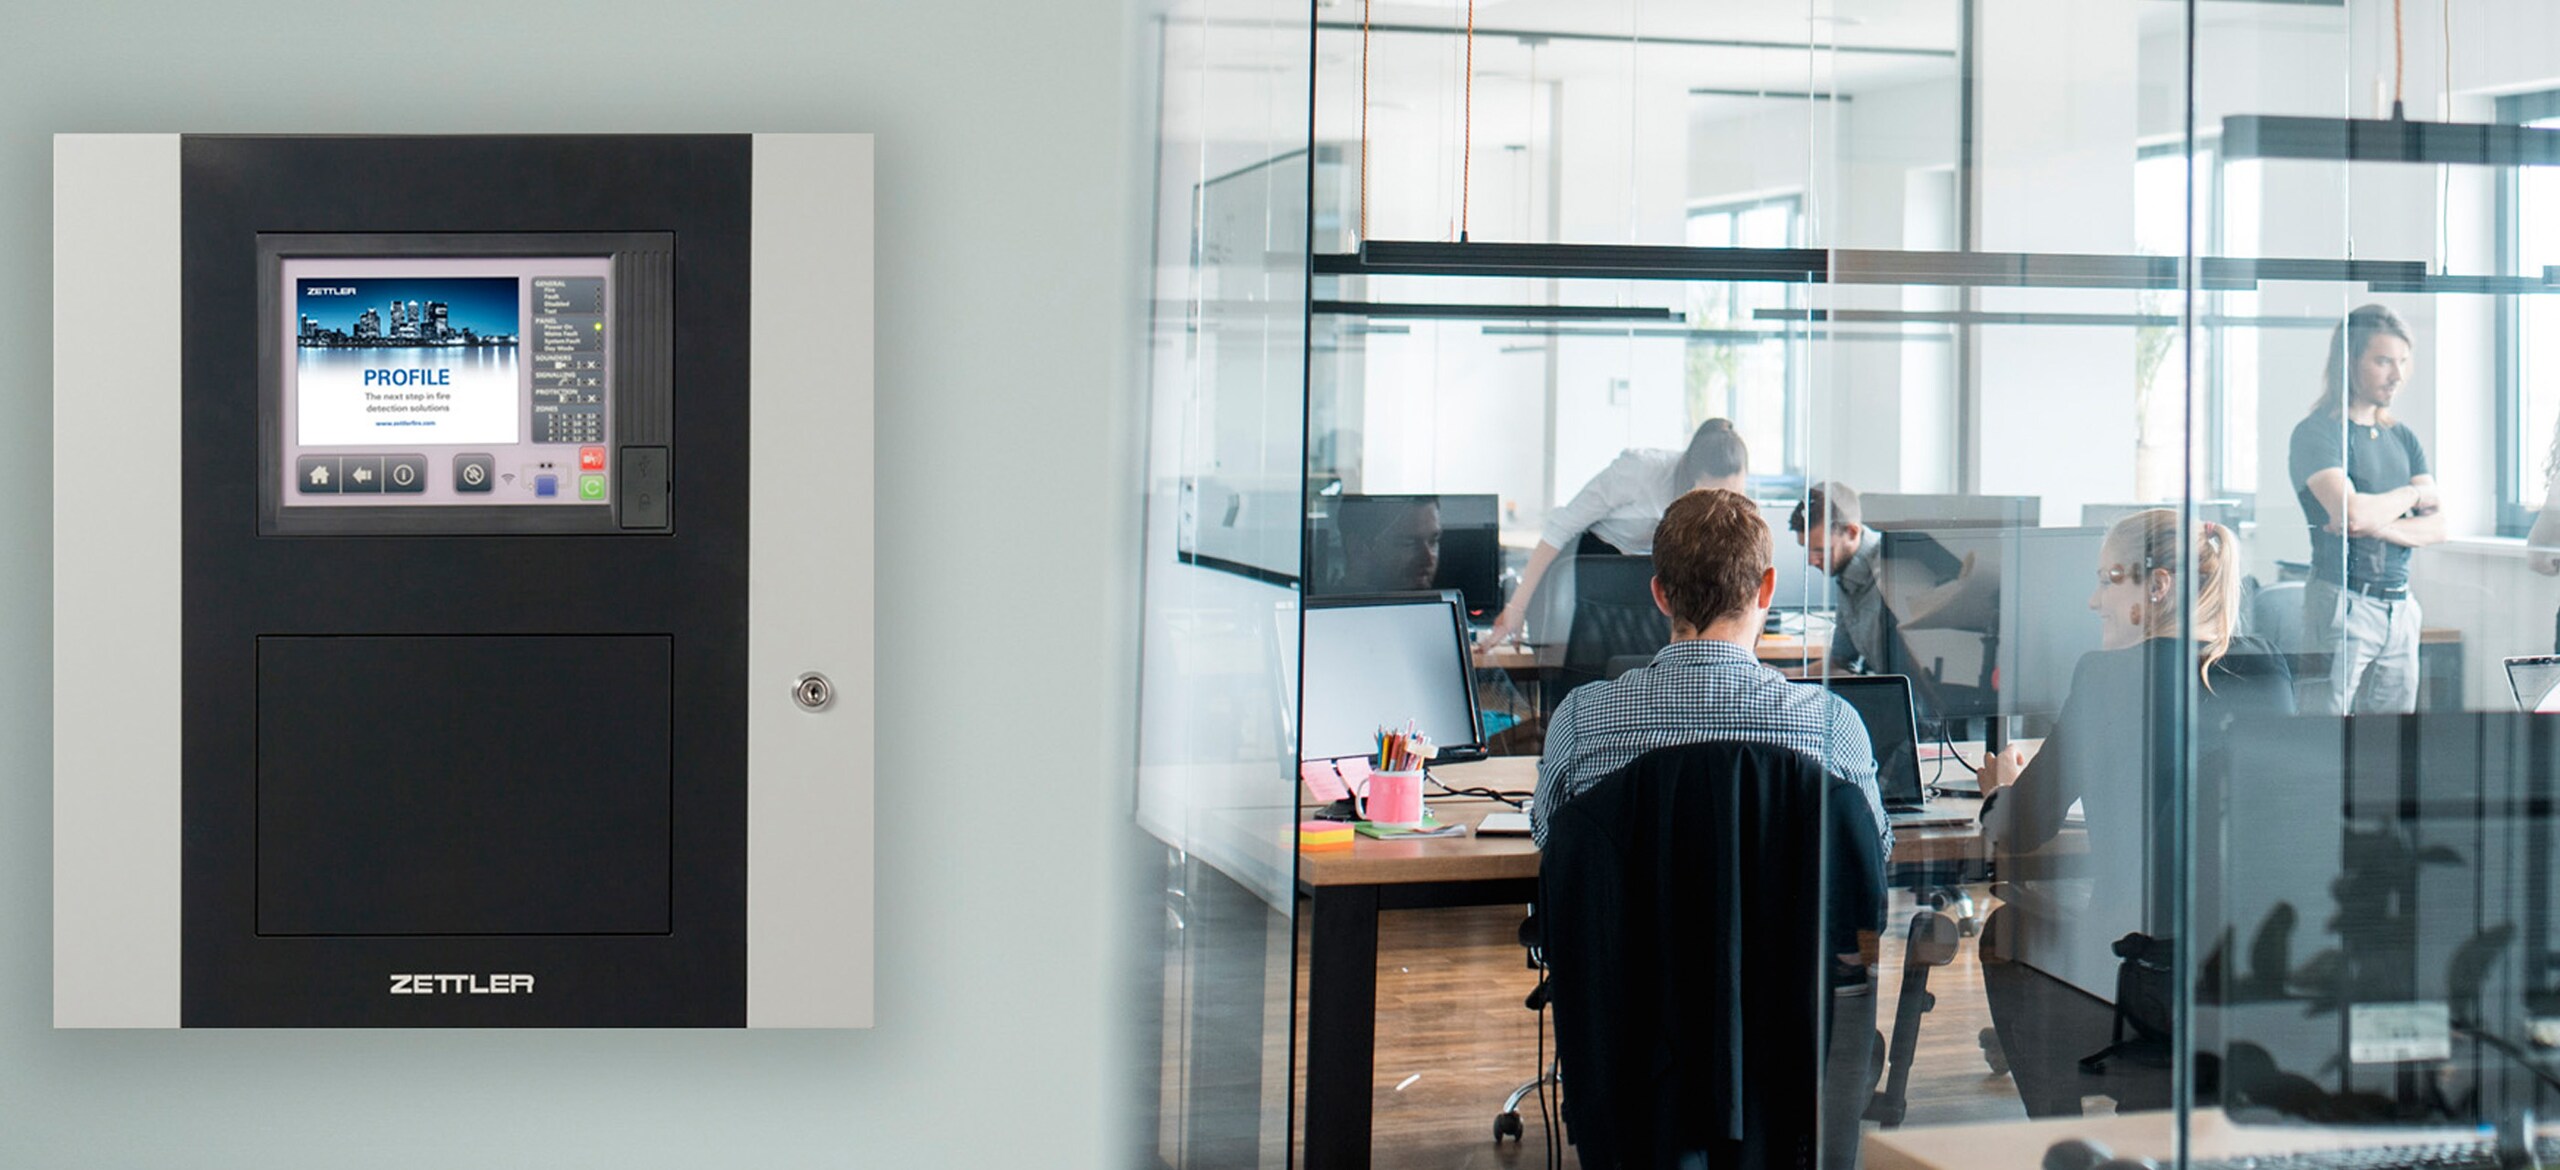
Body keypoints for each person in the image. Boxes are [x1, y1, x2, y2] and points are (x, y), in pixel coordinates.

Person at [1972, 510, 2294, 1116]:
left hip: (2144, 973)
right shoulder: (2268, 669)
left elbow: (2023, 829)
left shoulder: (2106, 676)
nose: (2094, 601)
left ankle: (2060, 1132)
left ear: (2157, 586)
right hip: (2254, 974)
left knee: (2004, 932)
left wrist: (2000, 792)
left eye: (2107, 580)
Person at [1530, 487, 1888, 860]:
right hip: (1780, 920)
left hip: (1633, 921)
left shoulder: (1581, 719)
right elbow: (1874, 846)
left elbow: (1547, 836)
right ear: (1767, 589)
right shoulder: (1835, 725)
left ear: (1660, 595)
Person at [2288, 303, 2443, 715]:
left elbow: (2438, 526)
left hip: (2401, 607)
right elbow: (2351, 513)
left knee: (2392, 746)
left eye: (2403, 362)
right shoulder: (2316, 433)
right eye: (2383, 361)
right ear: (2349, 361)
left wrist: (2377, 521)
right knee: (2324, 735)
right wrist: (2410, 497)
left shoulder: (2402, 437)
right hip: (2343, 602)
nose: (2397, 375)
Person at [1477, 418, 1748, 648]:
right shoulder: (1640, 470)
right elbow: (1560, 527)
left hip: (1647, 575)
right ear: (1691, 474)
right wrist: (1517, 607)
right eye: (1709, 493)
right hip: (1591, 566)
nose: (1718, 505)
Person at [1789, 482, 1890, 675]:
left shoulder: (1888, 570)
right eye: (1807, 549)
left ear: (1852, 533)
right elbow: (1841, 661)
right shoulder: (1846, 573)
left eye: (1820, 550)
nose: (1811, 561)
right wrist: (1783, 675)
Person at [1331, 496, 1440, 593]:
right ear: (1357, 549)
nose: (1428, 559)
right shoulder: (1328, 614)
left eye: (1433, 541)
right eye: (1408, 543)